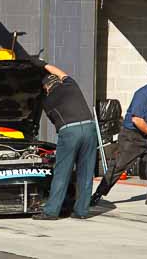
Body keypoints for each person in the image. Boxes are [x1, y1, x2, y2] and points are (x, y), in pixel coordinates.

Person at [90, 69, 147, 206]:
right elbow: (137, 120)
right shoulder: (142, 95)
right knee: (119, 166)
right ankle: (97, 195)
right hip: (132, 137)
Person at [32, 61, 98, 220]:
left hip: (70, 131)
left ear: (47, 88)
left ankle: (51, 211)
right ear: (58, 81)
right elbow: (62, 73)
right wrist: (43, 64)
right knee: (86, 172)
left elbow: (54, 120)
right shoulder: (71, 84)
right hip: (90, 128)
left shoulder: (48, 101)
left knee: (62, 172)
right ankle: (81, 211)